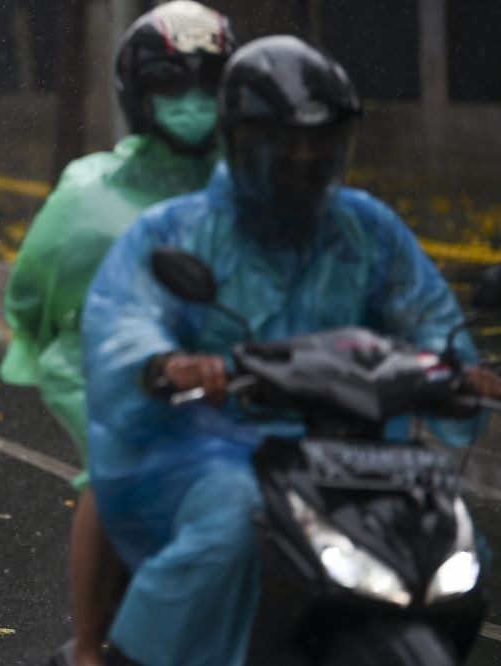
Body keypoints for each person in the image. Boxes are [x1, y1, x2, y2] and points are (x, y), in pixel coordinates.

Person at [82, 36, 501, 665]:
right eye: (284, 141)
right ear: (239, 141)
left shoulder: (368, 228)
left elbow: (430, 317)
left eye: (321, 141)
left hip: (361, 453)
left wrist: (463, 372)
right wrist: (168, 364)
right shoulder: (178, 230)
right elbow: (124, 322)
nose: (304, 157)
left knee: (448, 535)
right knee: (232, 528)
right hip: (212, 447)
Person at [0, 3, 236, 663]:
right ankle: (91, 647)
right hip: (108, 370)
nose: (192, 103)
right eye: (172, 86)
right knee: (110, 477)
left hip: (241, 368)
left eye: (206, 87)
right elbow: (31, 296)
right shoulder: (89, 190)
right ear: (140, 93)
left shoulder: (255, 184)